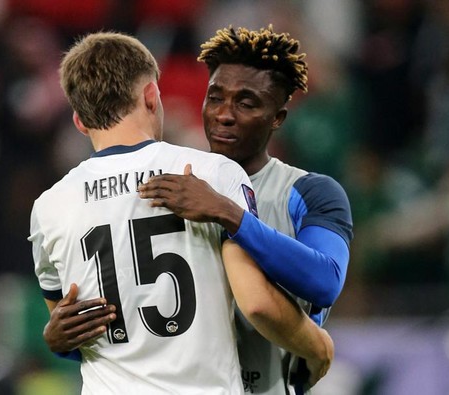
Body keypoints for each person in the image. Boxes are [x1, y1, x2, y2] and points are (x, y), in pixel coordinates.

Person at [28, 31, 333, 395]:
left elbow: (70, 329)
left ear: (79, 121)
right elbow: (257, 304)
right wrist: (319, 350)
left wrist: (57, 339)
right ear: (152, 96)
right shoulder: (212, 175)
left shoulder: (49, 208)